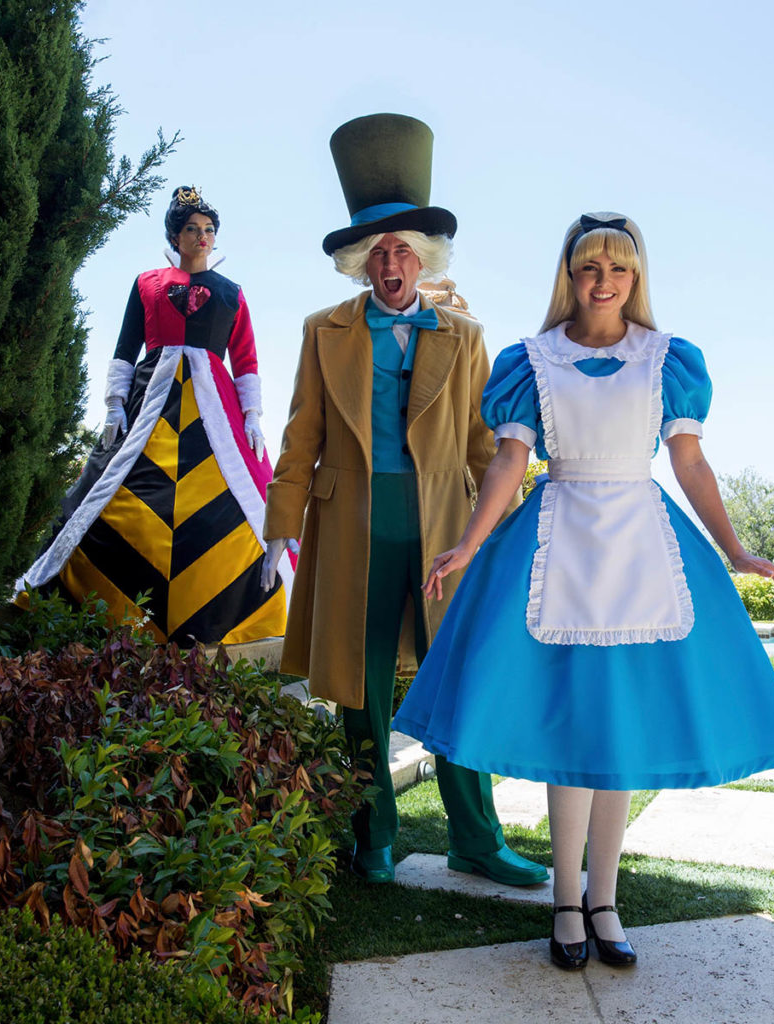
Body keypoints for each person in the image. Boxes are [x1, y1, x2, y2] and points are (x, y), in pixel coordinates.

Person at [393, 212, 774, 967]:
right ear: (570, 276)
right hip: (555, 545)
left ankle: (605, 901)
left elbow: (688, 463)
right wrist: (470, 543)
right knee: (574, 736)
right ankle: (565, 903)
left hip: (642, 549)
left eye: (618, 268)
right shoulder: (531, 359)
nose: (604, 281)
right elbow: (508, 462)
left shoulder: (668, 359)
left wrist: (737, 550)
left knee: (618, 735)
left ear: (635, 276)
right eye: (590, 267)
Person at [261, 114, 547, 887]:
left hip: (443, 526)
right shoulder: (322, 330)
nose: (390, 263)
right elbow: (300, 435)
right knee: (359, 690)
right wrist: (279, 527)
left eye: (402, 250)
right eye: (377, 252)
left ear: (423, 257)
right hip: (348, 526)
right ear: (360, 263)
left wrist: (506, 533)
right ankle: (373, 835)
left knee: (454, 676)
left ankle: (475, 838)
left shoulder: (465, 335)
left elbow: (487, 449)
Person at [22, 186, 290, 645]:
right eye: (193, 229)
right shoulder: (147, 283)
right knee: (108, 486)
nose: (202, 237)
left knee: (242, 499)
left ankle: (244, 605)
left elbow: (245, 358)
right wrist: (114, 402)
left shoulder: (232, 293)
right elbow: (126, 345)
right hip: (151, 397)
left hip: (216, 408)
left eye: (209, 230)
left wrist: (251, 413)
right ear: (175, 235)